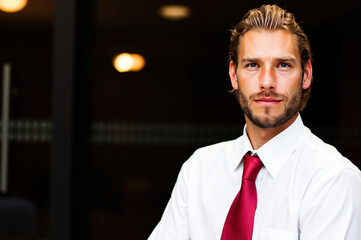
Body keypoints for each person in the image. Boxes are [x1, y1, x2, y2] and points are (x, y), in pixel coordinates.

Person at [148, 4, 361, 240]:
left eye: (283, 65)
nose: (267, 81)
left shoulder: (332, 178)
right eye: (252, 65)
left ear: (306, 75)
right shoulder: (198, 170)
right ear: (233, 75)